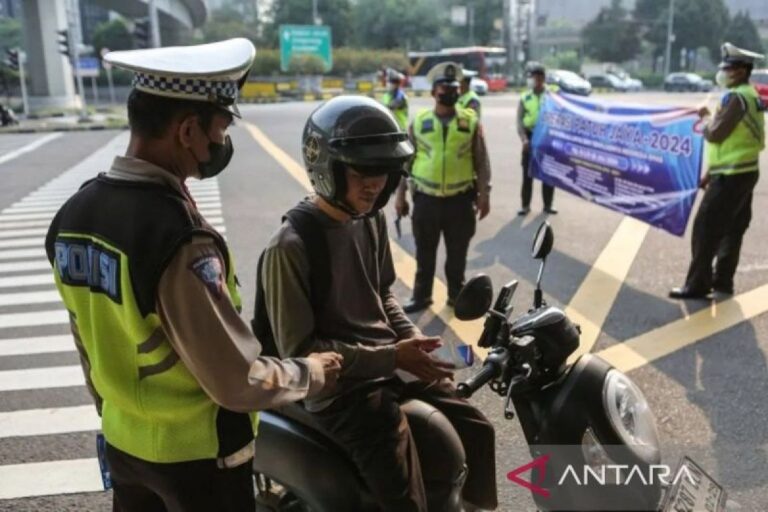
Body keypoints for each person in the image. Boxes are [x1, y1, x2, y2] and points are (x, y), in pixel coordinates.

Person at [44, 38, 342, 512]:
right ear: (187, 130)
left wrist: (116, 413)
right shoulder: (176, 237)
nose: (222, 142)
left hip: (125, 443)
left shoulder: (74, 214)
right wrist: (312, 372)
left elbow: (86, 339)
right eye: (220, 128)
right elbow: (236, 381)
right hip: (199, 458)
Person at [260, 95, 498, 512]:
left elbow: (382, 291)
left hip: (387, 360)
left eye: (385, 172)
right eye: (363, 171)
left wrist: (413, 342)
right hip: (336, 390)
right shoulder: (291, 246)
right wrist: (392, 357)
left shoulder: (370, 217)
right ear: (327, 168)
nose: (376, 183)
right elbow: (300, 353)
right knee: (402, 492)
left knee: (477, 430)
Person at [670, 43, 765, 300]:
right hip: (742, 171)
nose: (723, 72)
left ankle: (698, 285)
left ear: (743, 70)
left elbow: (716, 134)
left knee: (705, 228)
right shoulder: (750, 94)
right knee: (734, 228)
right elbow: (734, 140)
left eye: (729, 68)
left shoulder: (736, 98)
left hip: (732, 177)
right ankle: (723, 282)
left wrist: (705, 117)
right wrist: (710, 173)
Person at [395, 62, 492, 313]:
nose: (448, 92)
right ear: (433, 92)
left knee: (457, 255)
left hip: (460, 201)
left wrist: (484, 195)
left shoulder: (470, 123)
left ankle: (456, 295)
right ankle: (421, 296)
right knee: (424, 254)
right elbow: (407, 163)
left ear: (459, 91)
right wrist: (400, 196)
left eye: (453, 87)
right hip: (426, 200)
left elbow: (481, 162)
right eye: (443, 87)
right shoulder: (419, 123)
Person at [516, 61, 558, 215]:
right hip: (530, 136)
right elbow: (519, 121)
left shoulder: (552, 95)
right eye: (533, 78)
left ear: (543, 79)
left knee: (548, 173)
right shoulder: (525, 97)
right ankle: (525, 205)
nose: (536, 81)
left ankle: (548, 205)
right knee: (527, 174)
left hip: (547, 137)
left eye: (539, 78)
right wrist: (524, 139)